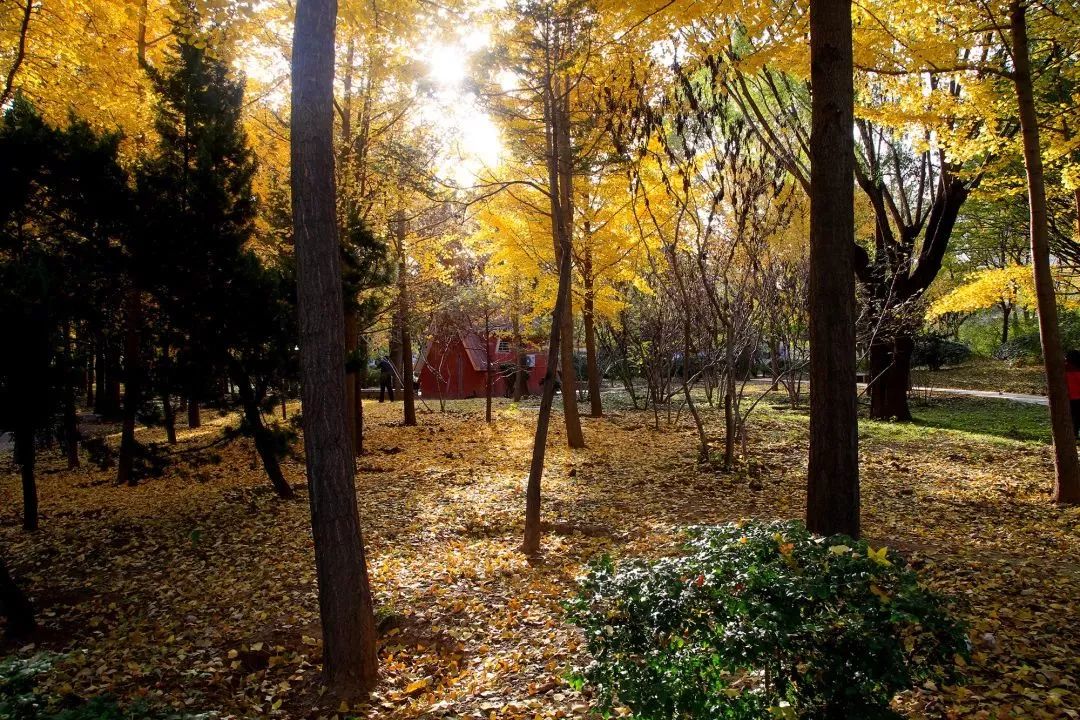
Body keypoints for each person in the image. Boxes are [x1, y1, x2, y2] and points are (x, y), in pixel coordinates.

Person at [1067, 350, 1080, 437]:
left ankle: (1073, 435)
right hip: (1078, 398)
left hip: (1069, 398)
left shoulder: (1063, 369)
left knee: (1072, 418)